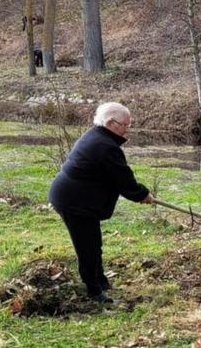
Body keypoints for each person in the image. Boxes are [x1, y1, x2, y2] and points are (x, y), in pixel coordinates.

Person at [48, 102, 154, 303]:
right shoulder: (105, 146)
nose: (127, 130)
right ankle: (94, 292)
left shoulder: (97, 136)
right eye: (125, 125)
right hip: (73, 201)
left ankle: (101, 281)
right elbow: (123, 178)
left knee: (94, 243)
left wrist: (139, 193)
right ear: (111, 123)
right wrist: (142, 194)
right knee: (87, 246)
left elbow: (113, 176)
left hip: (78, 198)